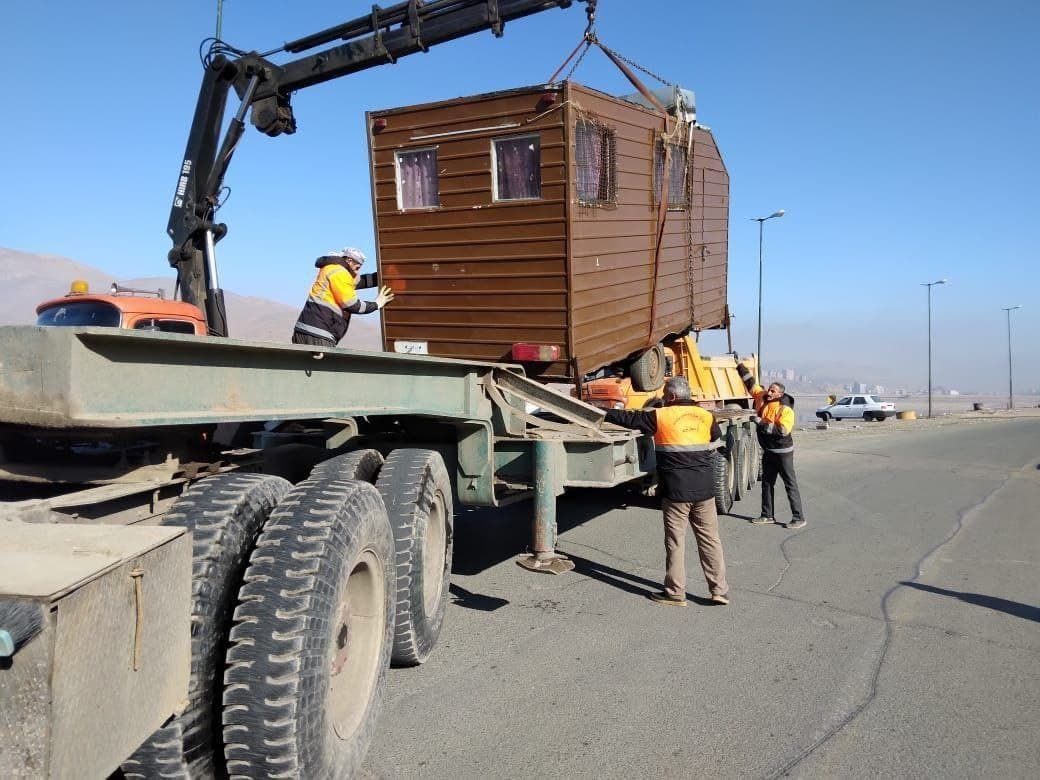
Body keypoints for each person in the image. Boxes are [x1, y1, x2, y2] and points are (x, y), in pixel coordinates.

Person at [604, 377, 730, 607]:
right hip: (705, 489)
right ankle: (719, 590)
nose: (662, 398)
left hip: (676, 491)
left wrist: (604, 412)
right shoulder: (706, 416)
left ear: (671, 397)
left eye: (664, 395)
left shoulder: (661, 416)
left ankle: (675, 593)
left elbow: (629, 418)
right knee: (711, 540)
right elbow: (714, 437)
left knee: (676, 542)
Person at [737, 364, 805, 529]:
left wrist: (761, 423)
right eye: (769, 389)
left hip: (783, 452)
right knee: (767, 483)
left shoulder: (785, 408)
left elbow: (782, 430)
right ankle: (767, 515)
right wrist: (739, 366)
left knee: (790, 484)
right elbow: (751, 384)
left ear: (780, 394)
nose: (769, 391)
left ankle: (798, 518)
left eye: (773, 390)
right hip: (768, 451)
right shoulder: (762, 397)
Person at [292, 247, 394, 347]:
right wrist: (377, 304)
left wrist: (382, 275)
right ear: (349, 261)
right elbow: (353, 305)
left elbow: (360, 282)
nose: (357, 271)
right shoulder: (340, 273)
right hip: (318, 335)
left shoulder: (331, 269)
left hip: (305, 331)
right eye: (357, 267)